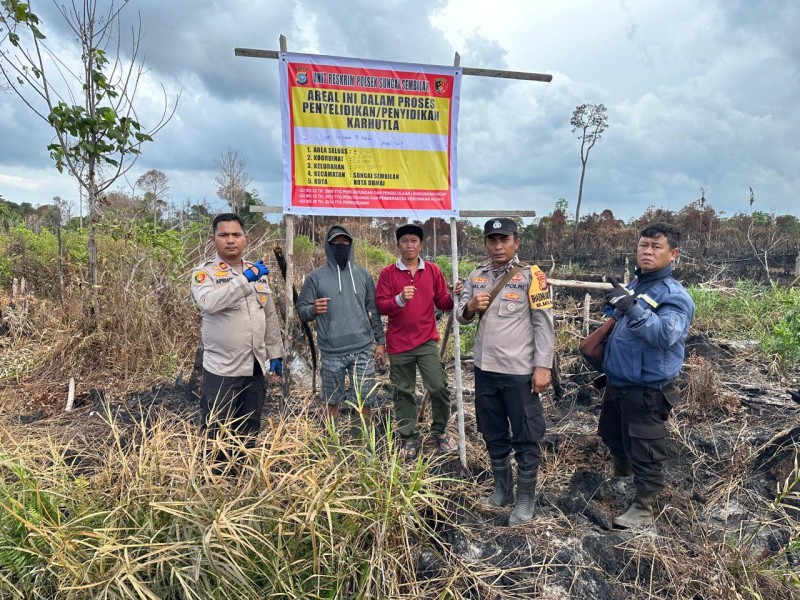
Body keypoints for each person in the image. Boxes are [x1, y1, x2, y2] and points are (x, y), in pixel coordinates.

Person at [457, 217, 555, 525]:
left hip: (518, 371)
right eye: (492, 240)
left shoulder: (532, 276)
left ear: (516, 243)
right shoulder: (476, 276)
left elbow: (543, 323)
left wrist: (542, 366)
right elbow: (462, 316)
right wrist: (471, 305)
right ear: (485, 243)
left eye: (504, 240)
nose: (498, 246)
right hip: (485, 369)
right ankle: (502, 490)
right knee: (492, 430)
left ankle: (525, 500)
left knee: (526, 434)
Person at [599, 222, 695, 528]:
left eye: (656, 247)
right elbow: (616, 320)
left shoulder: (675, 295)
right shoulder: (635, 285)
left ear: (673, 254)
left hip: (647, 389)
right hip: (618, 382)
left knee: (646, 447)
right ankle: (622, 479)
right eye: (643, 245)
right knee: (615, 436)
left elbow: (665, 334)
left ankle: (644, 506)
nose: (648, 252)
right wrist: (616, 305)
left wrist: (632, 308)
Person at [190, 213, 284, 472]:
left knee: (249, 427)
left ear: (245, 238)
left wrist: (275, 353)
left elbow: (269, 314)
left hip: (254, 366)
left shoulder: (258, 271)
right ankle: (214, 481)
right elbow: (208, 303)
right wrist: (244, 280)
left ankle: (242, 477)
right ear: (214, 239)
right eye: (224, 235)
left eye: (236, 235)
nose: (230, 240)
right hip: (222, 368)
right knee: (216, 429)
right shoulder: (204, 273)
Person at [375, 224, 463, 460]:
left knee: (438, 387)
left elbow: (443, 302)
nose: (409, 245)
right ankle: (409, 437)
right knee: (403, 392)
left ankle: (440, 431)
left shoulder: (432, 271)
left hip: (426, 342)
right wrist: (400, 298)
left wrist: (455, 295)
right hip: (398, 343)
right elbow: (381, 306)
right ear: (398, 245)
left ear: (420, 245)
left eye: (414, 240)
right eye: (405, 241)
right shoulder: (388, 274)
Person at [296, 225, 386, 423]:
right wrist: (312, 309)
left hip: (362, 348)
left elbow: (373, 310)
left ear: (351, 245)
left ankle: (362, 444)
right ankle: (332, 444)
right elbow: (301, 309)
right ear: (328, 247)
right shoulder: (315, 278)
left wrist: (380, 341)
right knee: (331, 401)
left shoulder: (362, 275)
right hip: (331, 352)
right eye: (335, 243)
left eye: (345, 243)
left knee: (364, 402)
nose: (341, 246)